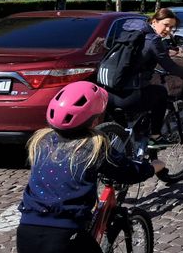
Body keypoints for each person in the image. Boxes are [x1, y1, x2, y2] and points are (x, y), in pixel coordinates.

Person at [17, 81, 163, 253]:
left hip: (26, 232)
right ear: (94, 122)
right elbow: (129, 171)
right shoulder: (95, 146)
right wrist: (151, 167)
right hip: (66, 236)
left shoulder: (41, 141)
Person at [104, 8, 183, 147]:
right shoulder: (153, 40)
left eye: (171, 28)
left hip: (110, 93)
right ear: (154, 21)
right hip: (128, 97)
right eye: (166, 25)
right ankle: (155, 137)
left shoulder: (132, 34)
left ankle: (128, 146)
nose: (168, 30)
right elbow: (169, 66)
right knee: (161, 93)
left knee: (126, 132)